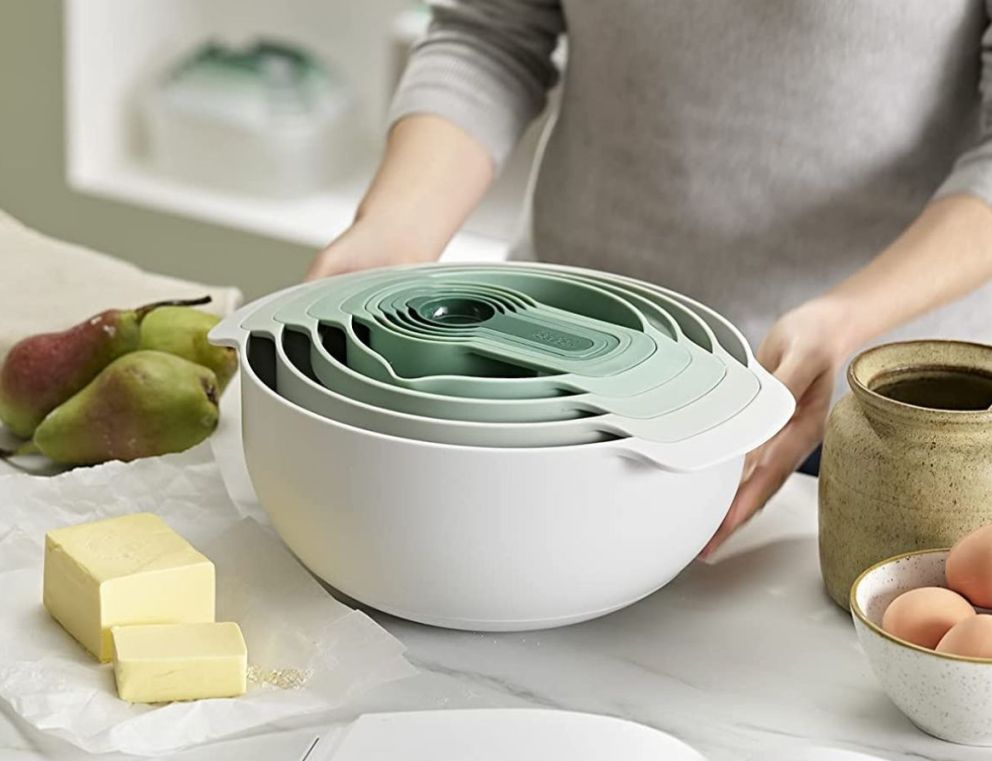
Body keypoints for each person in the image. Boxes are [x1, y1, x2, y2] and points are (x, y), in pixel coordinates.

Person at [307, 1, 992, 556]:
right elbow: (492, 32)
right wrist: (392, 232)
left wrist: (853, 315)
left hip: (866, 414)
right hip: (546, 370)